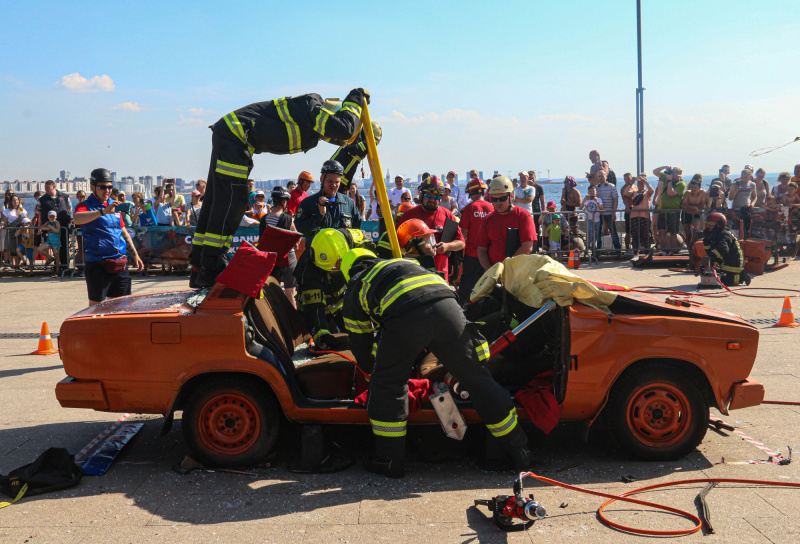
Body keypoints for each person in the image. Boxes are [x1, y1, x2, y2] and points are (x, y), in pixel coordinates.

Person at [338, 249, 533, 478]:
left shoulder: (357, 283)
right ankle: (520, 450)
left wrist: (374, 370)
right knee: (478, 379)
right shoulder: (401, 264)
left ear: (348, 271)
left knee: (388, 385)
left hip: (407, 316)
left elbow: (360, 341)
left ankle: (389, 460)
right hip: (447, 307)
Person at [191, 88, 369, 288]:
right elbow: (343, 128)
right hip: (235, 137)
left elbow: (339, 163)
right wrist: (356, 99)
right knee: (232, 202)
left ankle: (199, 264)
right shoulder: (312, 105)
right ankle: (212, 264)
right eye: (335, 140)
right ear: (332, 111)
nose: (334, 140)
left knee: (216, 200)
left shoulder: (310, 121)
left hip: (233, 137)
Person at [73, 168, 144, 305]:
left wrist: (135, 255)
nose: (107, 190)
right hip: (98, 263)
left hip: (120, 262)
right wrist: (103, 212)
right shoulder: (86, 206)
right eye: (103, 187)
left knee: (122, 306)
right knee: (96, 308)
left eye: (110, 187)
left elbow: (123, 232)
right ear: (93, 187)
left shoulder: (115, 205)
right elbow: (77, 219)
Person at [293, 227, 366, 350]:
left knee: (359, 338)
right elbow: (314, 310)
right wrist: (322, 335)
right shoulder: (307, 272)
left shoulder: (347, 239)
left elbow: (366, 243)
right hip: (319, 311)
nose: (334, 272)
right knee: (325, 339)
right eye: (330, 270)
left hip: (342, 303)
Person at [396, 176, 464, 282]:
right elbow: (396, 240)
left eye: (436, 197)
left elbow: (461, 243)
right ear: (422, 195)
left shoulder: (448, 215)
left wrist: (446, 246)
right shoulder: (409, 215)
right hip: (414, 273)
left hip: (440, 274)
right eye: (429, 196)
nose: (432, 200)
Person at [477, 176, 536, 269]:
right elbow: (481, 250)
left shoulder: (523, 216)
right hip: (494, 272)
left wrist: (506, 268)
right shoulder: (487, 219)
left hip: (518, 271)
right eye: (494, 199)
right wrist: (492, 272)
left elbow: (527, 246)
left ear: (511, 196)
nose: (498, 202)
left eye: (502, 198)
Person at [295, 160, 362, 241]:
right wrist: (319, 215)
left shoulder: (348, 203)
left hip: (343, 252)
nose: (333, 185)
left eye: (337, 182)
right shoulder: (308, 203)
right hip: (318, 252)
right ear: (321, 179)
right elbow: (300, 229)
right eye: (330, 181)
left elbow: (357, 229)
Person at [260, 186, 300, 308]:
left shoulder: (264, 220)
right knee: (291, 294)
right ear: (284, 202)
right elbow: (296, 241)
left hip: (272, 260)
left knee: (273, 293)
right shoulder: (288, 219)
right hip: (288, 258)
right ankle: (293, 322)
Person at [456, 178, 492, 304]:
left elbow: (463, 233)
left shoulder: (469, 208)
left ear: (470, 192)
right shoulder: (492, 207)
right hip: (489, 255)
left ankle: (460, 307)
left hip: (472, 254)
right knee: (487, 283)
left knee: (466, 282)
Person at [328, 122, 381, 191]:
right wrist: (367, 143)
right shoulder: (355, 139)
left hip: (340, 179)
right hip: (336, 177)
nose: (374, 144)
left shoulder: (357, 139)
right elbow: (354, 149)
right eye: (374, 140)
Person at [701, 213, 748, 286]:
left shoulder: (724, 234)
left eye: (711, 225)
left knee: (719, 281)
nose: (709, 227)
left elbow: (723, 249)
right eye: (708, 224)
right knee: (709, 271)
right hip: (725, 262)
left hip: (732, 266)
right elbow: (710, 251)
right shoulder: (716, 234)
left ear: (718, 225)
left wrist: (710, 256)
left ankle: (741, 276)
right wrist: (706, 240)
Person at [37, 179, 73, 274]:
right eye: (45, 188)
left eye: (48, 188)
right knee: (52, 248)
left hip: (63, 226)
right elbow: (39, 213)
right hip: (49, 227)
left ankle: (65, 266)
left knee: (64, 247)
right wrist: (41, 226)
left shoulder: (64, 196)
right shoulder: (42, 199)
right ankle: (56, 266)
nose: (46, 189)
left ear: (54, 187)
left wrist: (67, 217)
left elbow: (70, 208)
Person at [653, 166, 685, 254]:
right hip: (662, 210)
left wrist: (670, 181)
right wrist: (664, 167)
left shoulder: (681, 184)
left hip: (674, 211)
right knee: (661, 231)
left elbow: (670, 193)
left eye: (678, 176)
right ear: (671, 174)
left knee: (673, 232)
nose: (677, 177)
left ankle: (672, 251)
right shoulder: (665, 176)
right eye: (675, 175)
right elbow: (655, 171)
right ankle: (663, 250)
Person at [595, 170, 621, 252]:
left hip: (609, 213)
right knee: (598, 233)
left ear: (606, 177)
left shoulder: (612, 186)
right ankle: (597, 251)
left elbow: (615, 199)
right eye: (599, 176)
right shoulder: (596, 188)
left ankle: (618, 251)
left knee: (613, 232)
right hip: (599, 214)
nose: (600, 178)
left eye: (602, 176)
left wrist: (614, 212)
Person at [729, 168, 756, 239]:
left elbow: (755, 196)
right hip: (737, 209)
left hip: (747, 209)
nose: (744, 179)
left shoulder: (752, 185)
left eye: (746, 177)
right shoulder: (735, 184)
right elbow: (730, 198)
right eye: (742, 177)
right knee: (736, 230)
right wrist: (735, 190)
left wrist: (752, 203)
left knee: (747, 229)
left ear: (750, 177)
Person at [630, 174, 654, 254]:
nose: (640, 184)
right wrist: (631, 183)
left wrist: (646, 182)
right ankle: (635, 253)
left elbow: (652, 190)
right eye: (639, 182)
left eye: (641, 182)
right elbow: (626, 193)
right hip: (634, 216)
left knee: (646, 235)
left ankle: (647, 252)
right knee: (635, 235)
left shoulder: (647, 193)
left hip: (645, 216)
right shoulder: (634, 192)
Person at [681, 175, 707, 248]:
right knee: (688, 234)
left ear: (699, 187)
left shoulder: (703, 193)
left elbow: (702, 205)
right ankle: (689, 249)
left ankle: (695, 246)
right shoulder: (688, 193)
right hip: (686, 214)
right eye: (692, 187)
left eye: (695, 187)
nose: (693, 189)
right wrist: (694, 207)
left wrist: (690, 207)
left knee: (696, 227)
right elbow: (683, 205)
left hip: (696, 214)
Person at [1, 194, 27, 266]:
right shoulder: (7, 211)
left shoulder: (22, 210)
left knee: (19, 248)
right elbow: (4, 220)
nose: (16, 201)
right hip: (11, 231)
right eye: (14, 200)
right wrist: (2, 224)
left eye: (17, 200)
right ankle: (13, 265)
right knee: (11, 249)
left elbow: (25, 219)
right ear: (11, 202)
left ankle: (18, 265)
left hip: (20, 231)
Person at [34, 210, 61, 275]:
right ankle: (50, 257)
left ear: (56, 217)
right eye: (50, 216)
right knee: (39, 249)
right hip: (49, 241)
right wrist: (47, 227)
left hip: (56, 242)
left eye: (53, 216)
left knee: (57, 256)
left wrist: (51, 227)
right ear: (48, 217)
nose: (52, 218)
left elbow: (57, 230)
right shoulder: (48, 222)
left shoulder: (57, 222)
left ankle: (57, 271)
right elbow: (41, 227)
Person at [581, 186, 604, 253]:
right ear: (588, 192)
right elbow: (580, 207)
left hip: (597, 220)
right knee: (590, 233)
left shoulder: (599, 199)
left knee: (596, 235)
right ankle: (587, 247)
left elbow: (602, 208)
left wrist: (597, 202)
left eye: (593, 191)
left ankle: (594, 249)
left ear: (596, 192)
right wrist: (584, 199)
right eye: (590, 191)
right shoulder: (587, 200)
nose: (592, 193)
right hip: (588, 219)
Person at [620, 173, 636, 251]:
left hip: (636, 209)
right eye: (625, 179)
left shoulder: (635, 187)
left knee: (636, 229)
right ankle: (627, 247)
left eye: (628, 179)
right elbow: (624, 198)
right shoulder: (623, 188)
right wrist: (627, 206)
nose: (627, 181)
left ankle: (637, 246)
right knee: (628, 230)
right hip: (629, 209)